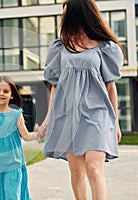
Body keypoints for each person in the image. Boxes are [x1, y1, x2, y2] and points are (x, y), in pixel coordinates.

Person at [38, 0, 124, 199]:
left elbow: (110, 87)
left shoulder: (105, 47)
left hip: (98, 114)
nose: (63, 17)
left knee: (94, 169)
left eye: (66, 12)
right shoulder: (60, 46)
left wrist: (115, 122)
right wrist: (48, 119)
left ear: (80, 12)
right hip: (68, 115)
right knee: (77, 173)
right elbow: (55, 87)